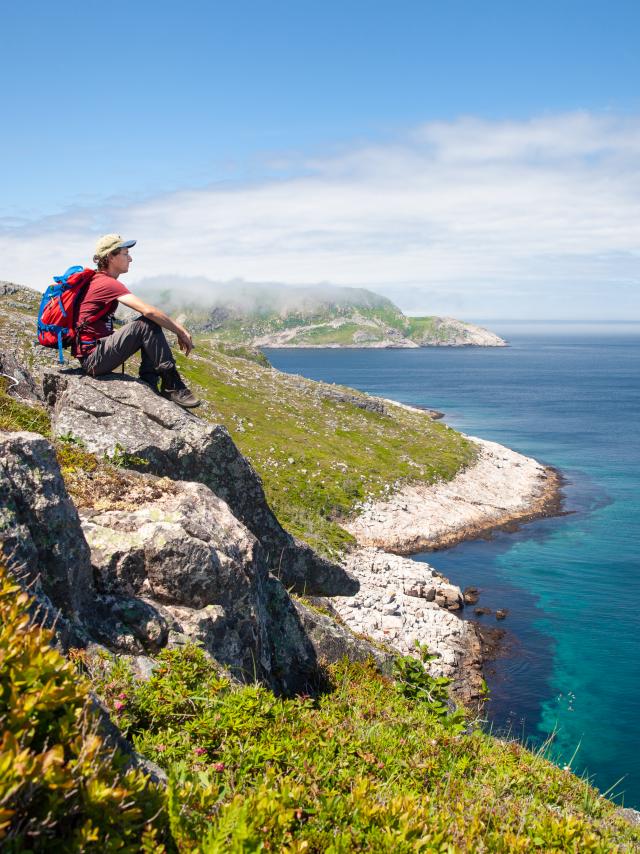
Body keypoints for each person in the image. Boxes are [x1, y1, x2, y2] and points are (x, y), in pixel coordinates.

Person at [76, 234, 200, 408]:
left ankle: (150, 381)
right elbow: (148, 311)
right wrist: (180, 330)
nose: (130, 258)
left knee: (148, 323)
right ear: (111, 257)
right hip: (94, 359)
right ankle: (172, 385)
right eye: (125, 254)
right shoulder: (106, 283)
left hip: (96, 354)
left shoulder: (99, 280)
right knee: (146, 323)